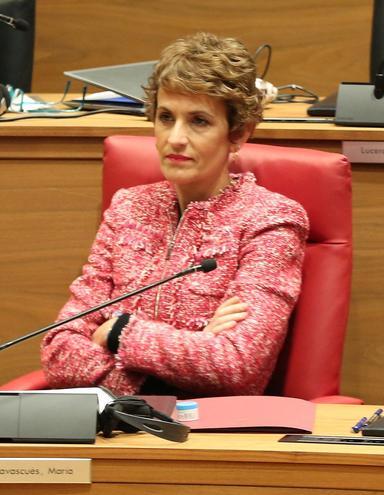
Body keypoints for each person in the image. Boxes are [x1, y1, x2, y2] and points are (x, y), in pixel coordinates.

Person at [41, 32, 308, 398]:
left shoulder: (270, 221)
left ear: (238, 134)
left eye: (198, 121)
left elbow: (238, 366)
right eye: (166, 117)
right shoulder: (128, 208)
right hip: (117, 430)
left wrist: (118, 333)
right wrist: (178, 362)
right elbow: (58, 350)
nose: (176, 138)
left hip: (208, 438)